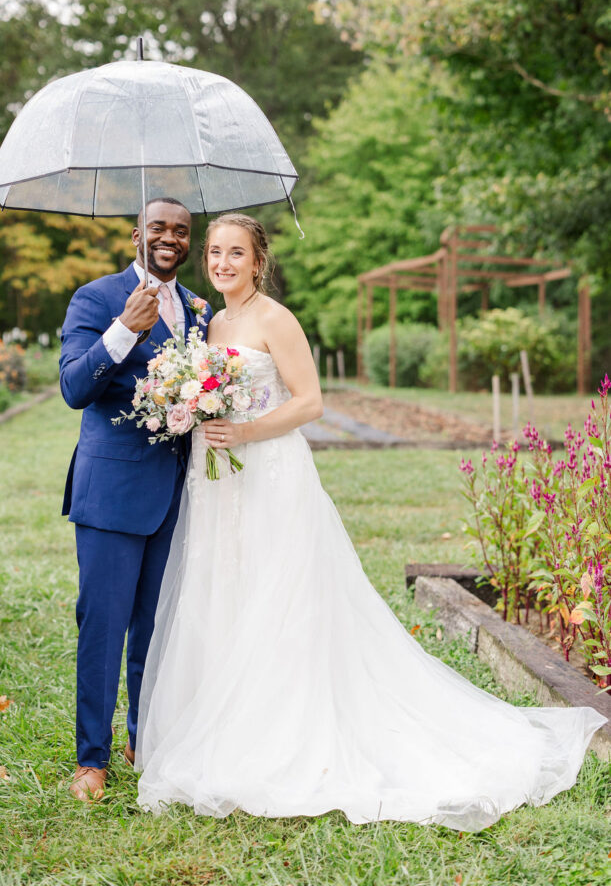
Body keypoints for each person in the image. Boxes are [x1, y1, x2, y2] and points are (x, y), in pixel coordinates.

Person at [134, 211, 606, 830]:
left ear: (258, 261)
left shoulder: (277, 319)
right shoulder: (213, 321)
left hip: (271, 472)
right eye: (215, 252)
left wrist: (243, 429)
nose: (221, 262)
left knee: (280, 596)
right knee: (228, 591)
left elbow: (310, 402)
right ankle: (229, 724)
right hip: (220, 480)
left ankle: (286, 735)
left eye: (235, 253)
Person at [59, 196, 212, 802]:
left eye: (180, 230)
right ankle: (91, 759)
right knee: (104, 624)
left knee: (157, 624)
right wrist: (126, 329)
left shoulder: (199, 310)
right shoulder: (95, 299)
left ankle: (142, 739)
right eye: (158, 228)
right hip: (113, 491)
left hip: (178, 492)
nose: (169, 237)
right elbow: (73, 387)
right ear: (135, 236)